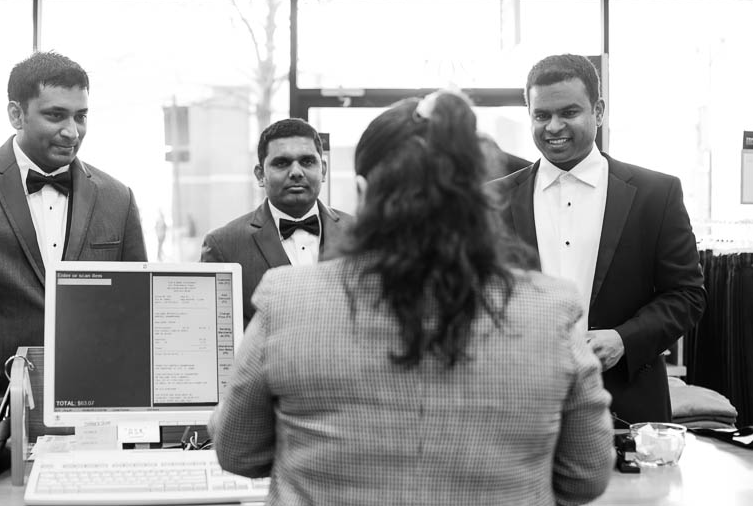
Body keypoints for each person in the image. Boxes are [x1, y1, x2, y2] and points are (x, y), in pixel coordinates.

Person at [208, 91, 613, 505]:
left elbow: (238, 451)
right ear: (478, 196)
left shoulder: (289, 302)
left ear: (363, 194)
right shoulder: (550, 309)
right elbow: (585, 477)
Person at [0, 51, 147, 489]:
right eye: (56, 115)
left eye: (81, 116)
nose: (71, 131)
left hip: (96, 420)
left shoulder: (118, 197)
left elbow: (135, 321)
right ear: (15, 114)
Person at [489, 54, 706, 426]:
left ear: (599, 111)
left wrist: (624, 339)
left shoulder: (656, 194)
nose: (554, 126)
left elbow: (687, 294)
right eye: (541, 116)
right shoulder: (492, 201)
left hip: (628, 405)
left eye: (569, 112)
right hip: (519, 408)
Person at [200, 118, 352, 328]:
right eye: (282, 163)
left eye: (307, 161)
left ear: (323, 170)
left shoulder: (362, 235)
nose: (296, 172)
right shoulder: (223, 246)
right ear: (260, 175)